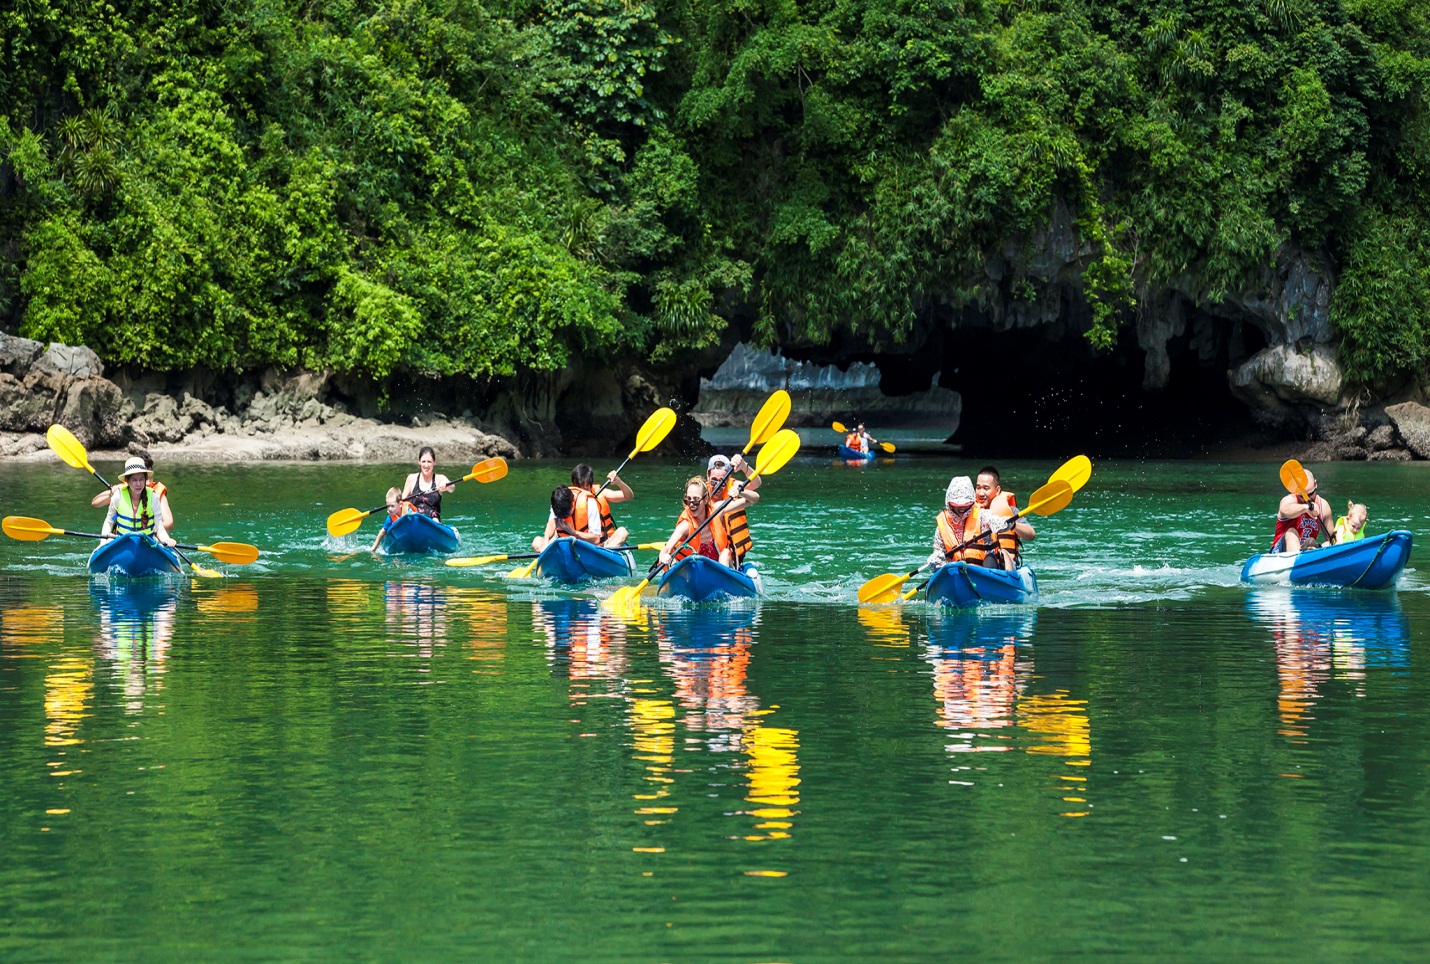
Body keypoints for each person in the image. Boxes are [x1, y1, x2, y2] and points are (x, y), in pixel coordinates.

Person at [531, 464, 632, 552]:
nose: (581, 491)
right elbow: (551, 523)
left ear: (591, 484)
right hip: (567, 544)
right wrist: (546, 541)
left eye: (585, 487)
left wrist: (619, 482)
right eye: (578, 486)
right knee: (537, 542)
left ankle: (605, 555)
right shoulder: (563, 499)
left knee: (622, 532)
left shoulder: (593, 499)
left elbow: (629, 496)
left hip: (597, 545)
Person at [659, 476, 750, 569]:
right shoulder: (685, 525)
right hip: (696, 572)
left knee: (726, 553)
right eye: (688, 499)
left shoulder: (717, 512)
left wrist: (741, 492)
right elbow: (667, 548)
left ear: (706, 499)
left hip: (721, 569)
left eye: (696, 500)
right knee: (673, 562)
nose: (691, 504)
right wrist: (663, 556)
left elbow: (753, 499)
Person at [100, 457, 176, 547]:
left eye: (141, 479)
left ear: (145, 479)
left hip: (147, 543)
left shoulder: (153, 497)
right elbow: (109, 521)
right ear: (127, 481)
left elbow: (160, 528)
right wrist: (103, 542)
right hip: (122, 541)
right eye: (134, 480)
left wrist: (167, 540)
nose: (138, 484)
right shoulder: (118, 495)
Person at [927, 476, 996, 569]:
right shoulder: (942, 526)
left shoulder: (983, 515)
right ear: (949, 503)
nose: (962, 507)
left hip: (983, 570)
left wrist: (999, 523)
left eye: (965, 504)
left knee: (991, 558)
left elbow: (992, 519)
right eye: (957, 504)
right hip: (956, 572)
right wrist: (936, 560)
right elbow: (938, 550)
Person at [975, 466, 1035, 570]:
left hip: (1005, 568)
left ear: (997, 490)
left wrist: (1013, 524)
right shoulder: (969, 513)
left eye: (986, 488)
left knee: (999, 555)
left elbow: (1031, 535)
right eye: (978, 488)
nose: (980, 493)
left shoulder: (1010, 512)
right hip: (978, 567)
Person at [705, 454, 759, 565]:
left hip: (730, 553)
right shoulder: (701, 491)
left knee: (725, 554)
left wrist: (744, 466)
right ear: (708, 476)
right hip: (706, 549)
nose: (718, 486)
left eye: (722, 481)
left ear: (728, 478)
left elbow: (756, 485)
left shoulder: (734, 485)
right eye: (714, 481)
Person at [1272, 469, 1335, 553]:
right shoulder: (1289, 500)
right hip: (1280, 552)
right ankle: (1299, 557)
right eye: (1303, 496)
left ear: (1315, 484)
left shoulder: (1323, 506)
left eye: (1311, 494)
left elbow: (1332, 538)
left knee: (1329, 543)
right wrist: (1305, 508)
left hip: (1307, 551)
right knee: (1291, 531)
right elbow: (1284, 510)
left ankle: (1308, 553)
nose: (1307, 499)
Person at [402, 446, 454, 521]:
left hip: (433, 521)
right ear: (419, 462)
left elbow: (452, 488)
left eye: (429, 462)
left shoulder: (440, 479)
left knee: (435, 520)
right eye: (423, 461)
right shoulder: (411, 479)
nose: (426, 465)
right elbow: (402, 501)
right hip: (414, 520)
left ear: (434, 462)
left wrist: (447, 485)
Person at [370, 487, 417, 552]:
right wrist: (374, 547)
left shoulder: (408, 511)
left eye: (392, 506)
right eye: (388, 506)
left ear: (400, 504)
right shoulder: (390, 518)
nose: (389, 509)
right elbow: (382, 531)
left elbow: (416, 520)